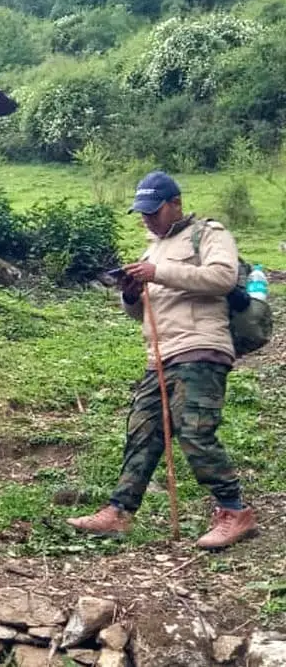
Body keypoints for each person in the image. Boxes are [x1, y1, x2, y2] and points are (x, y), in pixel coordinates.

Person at [68, 171, 257, 550]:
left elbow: (222, 278)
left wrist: (159, 273)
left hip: (202, 346)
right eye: (142, 212)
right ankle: (119, 511)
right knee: (143, 430)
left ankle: (234, 511)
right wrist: (132, 294)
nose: (147, 219)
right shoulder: (151, 249)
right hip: (160, 353)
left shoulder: (210, 234)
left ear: (176, 204)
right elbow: (142, 314)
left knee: (194, 429)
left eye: (154, 211)